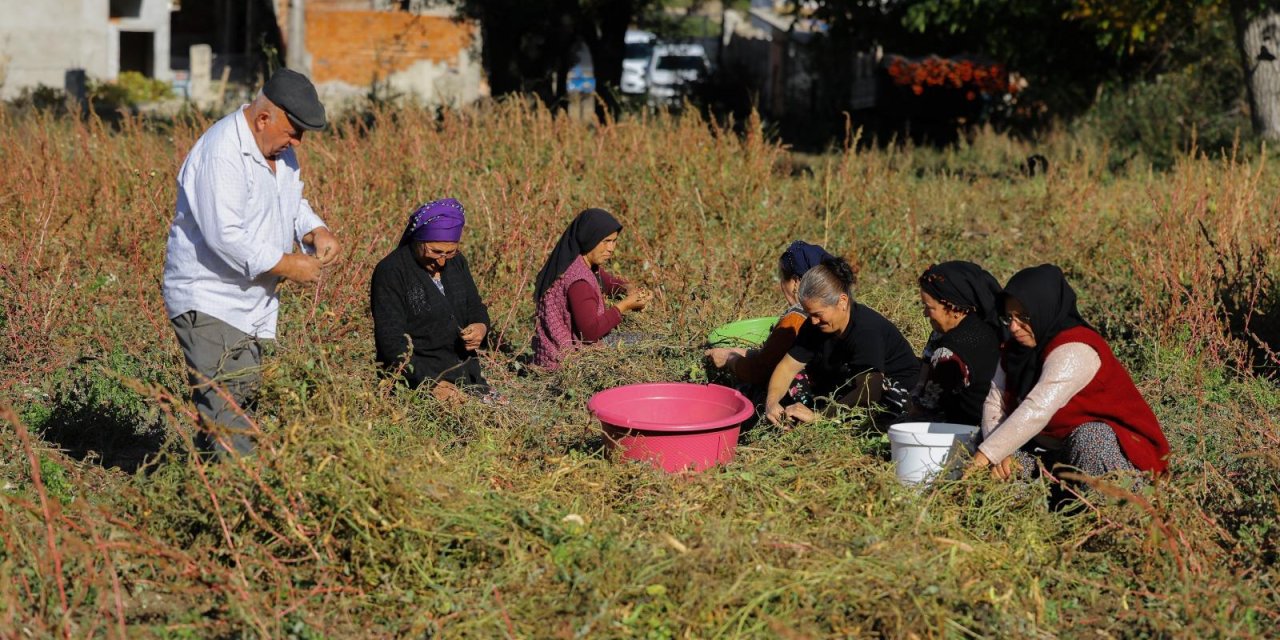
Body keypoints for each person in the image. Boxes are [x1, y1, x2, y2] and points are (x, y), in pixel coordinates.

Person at [162, 68, 339, 457]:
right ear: (263, 118)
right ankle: (241, 500)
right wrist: (290, 265)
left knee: (235, 409)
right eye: (293, 132)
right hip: (208, 300)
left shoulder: (280, 152)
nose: (297, 142)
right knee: (232, 418)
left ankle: (203, 498)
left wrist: (315, 230)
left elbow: (290, 202)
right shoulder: (221, 152)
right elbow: (226, 236)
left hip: (249, 306)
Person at [970, 264, 1170, 480]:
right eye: (1009, 318)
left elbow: (1037, 408)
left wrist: (984, 457)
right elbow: (995, 402)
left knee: (1092, 437)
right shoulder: (1015, 351)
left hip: (1119, 454)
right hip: (1051, 451)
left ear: (1044, 309)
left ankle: (1111, 506)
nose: (1014, 327)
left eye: (1024, 318)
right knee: (998, 451)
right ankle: (1043, 506)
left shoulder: (1075, 349)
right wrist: (1000, 456)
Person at [764, 257, 920, 427]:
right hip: (848, 384)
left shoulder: (866, 330)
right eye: (809, 314)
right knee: (791, 378)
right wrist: (771, 403)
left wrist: (819, 417)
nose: (813, 321)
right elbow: (787, 367)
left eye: (818, 314)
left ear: (842, 301)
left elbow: (870, 391)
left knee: (880, 408)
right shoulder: (814, 326)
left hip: (888, 391)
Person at [370, 198, 495, 404]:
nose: (442, 260)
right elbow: (391, 343)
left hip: (467, 378)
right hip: (414, 385)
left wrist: (480, 327)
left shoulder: (457, 262)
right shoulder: (391, 272)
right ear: (418, 240)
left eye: (450, 252)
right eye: (435, 252)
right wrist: (431, 383)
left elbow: (474, 305)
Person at [531, 208, 652, 369]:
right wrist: (625, 306)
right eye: (606, 241)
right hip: (569, 360)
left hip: (556, 354)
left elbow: (606, 281)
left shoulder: (574, 262)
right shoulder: (578, 282)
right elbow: (590, 333)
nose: (611, 248)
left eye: (614, 241)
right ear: (590, 238)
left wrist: (628, 289)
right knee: (650, 343)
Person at [705, 241, 833, 388]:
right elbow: (774, 356)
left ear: (796, 282)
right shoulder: (835, 306)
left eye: (782, 277)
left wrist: (728, 359)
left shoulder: (795, 319)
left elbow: (759, 372)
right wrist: (737, 351)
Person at [909, 261, 1003, 425]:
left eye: (929, 307)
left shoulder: (950, 351)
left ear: (952, 306)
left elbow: (925, 409)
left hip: (971, 430)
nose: (924, 314)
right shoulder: (988, 324)